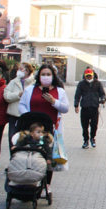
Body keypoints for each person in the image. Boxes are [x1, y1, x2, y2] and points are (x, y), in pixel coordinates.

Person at [18, 64, 70, 196]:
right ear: (39, 76)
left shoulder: (59, 91)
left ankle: (47, 184)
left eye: (48, 74)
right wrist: (28, 117)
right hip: (32, 128)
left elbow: (65, 108)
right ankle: (30, 180)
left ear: (53, 76)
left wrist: (54, 101)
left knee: (48, 156)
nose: (45, 77)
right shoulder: (30, 89)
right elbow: (22, 105)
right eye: (43, 74)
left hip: (50, 129)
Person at [4, 62, 35, 148]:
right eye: (18, 69)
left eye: (21, 69)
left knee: (26, 139)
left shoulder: (33, 83)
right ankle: (13, 155)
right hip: (14, 116)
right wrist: (18, 95)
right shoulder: (13, 82)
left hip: (27, 116)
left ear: (27, 71)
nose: (18, 71)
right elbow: (6, 96)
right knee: (12, 139)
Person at [74, 68, 106, 148]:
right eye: (87, 76)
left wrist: (103, 99)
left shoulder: (98, 83)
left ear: (93, 75)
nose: (89, 77)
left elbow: (102, 94)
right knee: (84, 126)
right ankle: (86, 140)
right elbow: (77, 95)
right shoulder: (81, 84)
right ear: (85, 76)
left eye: (90, 76)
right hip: (85, 108)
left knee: (94, 125)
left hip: (94, 107)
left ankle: (92, 138)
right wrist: (76, 105)